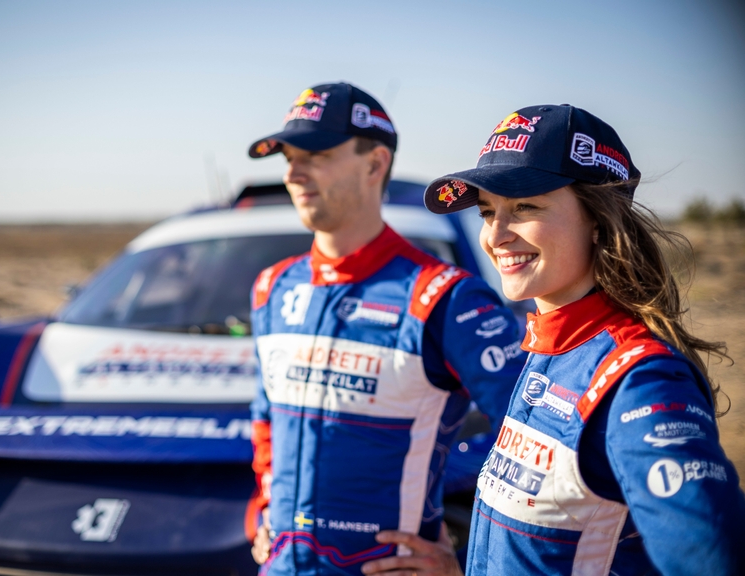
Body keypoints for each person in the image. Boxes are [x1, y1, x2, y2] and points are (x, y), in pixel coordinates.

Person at [410, 104, 745, 575]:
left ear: (597, 217)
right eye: (488, 212)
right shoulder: (547, 350)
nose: (496, 236)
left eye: (525, 206)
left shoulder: (642, 381)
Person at [245, 82, 525, 576]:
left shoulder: (444, 296)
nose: (294, 171)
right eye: (288, 156)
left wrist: (467, 563)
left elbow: (537, 447)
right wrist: (262, 513)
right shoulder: (271, 287)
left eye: (316, 153)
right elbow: (266, 417)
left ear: (375, 164)